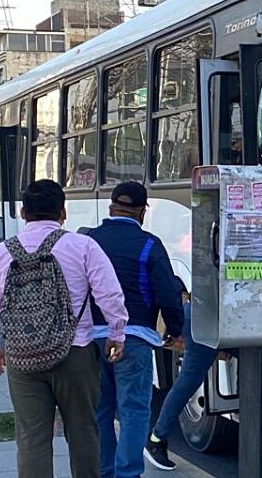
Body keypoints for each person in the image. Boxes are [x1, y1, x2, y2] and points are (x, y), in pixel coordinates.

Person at [0, 179, 129, 478]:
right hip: (75, 353)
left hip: (22, 358)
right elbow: (109, 294)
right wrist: (116, 333)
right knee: (83, 430)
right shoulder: (82, 246)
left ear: (22, 212)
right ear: (63, 212)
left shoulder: (1, 253)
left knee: (32, 438)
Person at [87, 182, 185, 478]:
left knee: (100, 410)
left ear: (110, 208)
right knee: (133, 411)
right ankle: (127, 473)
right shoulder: (149, 245)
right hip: (134, 338)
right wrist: (176, 329)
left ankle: (105, 470)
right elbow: (168, 293)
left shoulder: (90, 240)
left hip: (92, 339)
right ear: (142, 212)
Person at [145, 291, 219, 471]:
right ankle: (156, 438)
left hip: (220, 315)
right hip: (204, 318)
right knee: (189, 381)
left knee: (189, 381)